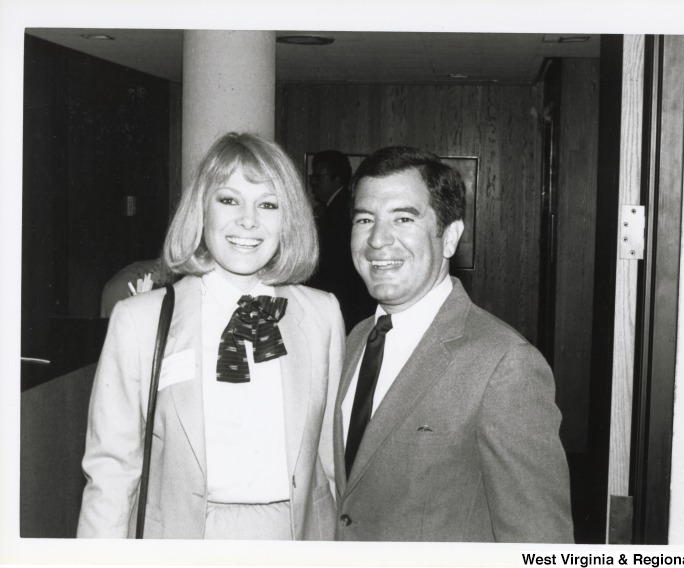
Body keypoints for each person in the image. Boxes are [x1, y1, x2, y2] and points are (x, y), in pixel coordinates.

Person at [78, 132, 343, 539]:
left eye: (268, 204)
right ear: (202, 209)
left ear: (287, 220)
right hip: (185, 537)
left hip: (294, 536)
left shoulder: (322, 314)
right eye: (229, 199)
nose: (248, 220)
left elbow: (329, 460)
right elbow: (112, 470)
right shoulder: (140, 320)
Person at [333, 146, 573, 542]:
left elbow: (540, 544)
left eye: (404, 218)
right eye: (364, 219)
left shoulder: (504, 364)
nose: (377, 240)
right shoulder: (353, 339)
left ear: (450, 237)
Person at [307, 150, 374, 332]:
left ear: (337, 178)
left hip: (345, 309)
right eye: (312, 176)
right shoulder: (333, 208)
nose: (313, 181)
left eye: (319, 176)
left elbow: (333, 271)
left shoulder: (342, 211)